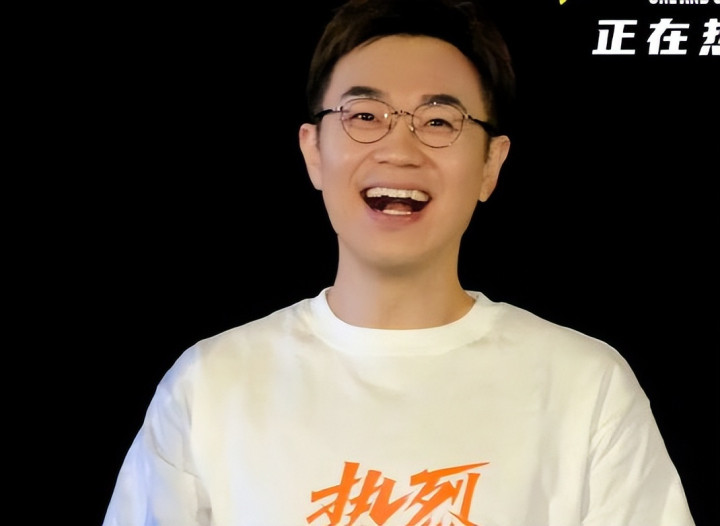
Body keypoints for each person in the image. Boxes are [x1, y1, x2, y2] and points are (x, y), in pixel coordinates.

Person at [102, 0, 696, 524]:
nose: (399, 149)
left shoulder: (585, 387)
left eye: (438, 121)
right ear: (313, 151)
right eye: (365, 116)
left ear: (491, 165)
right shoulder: (211, 384)